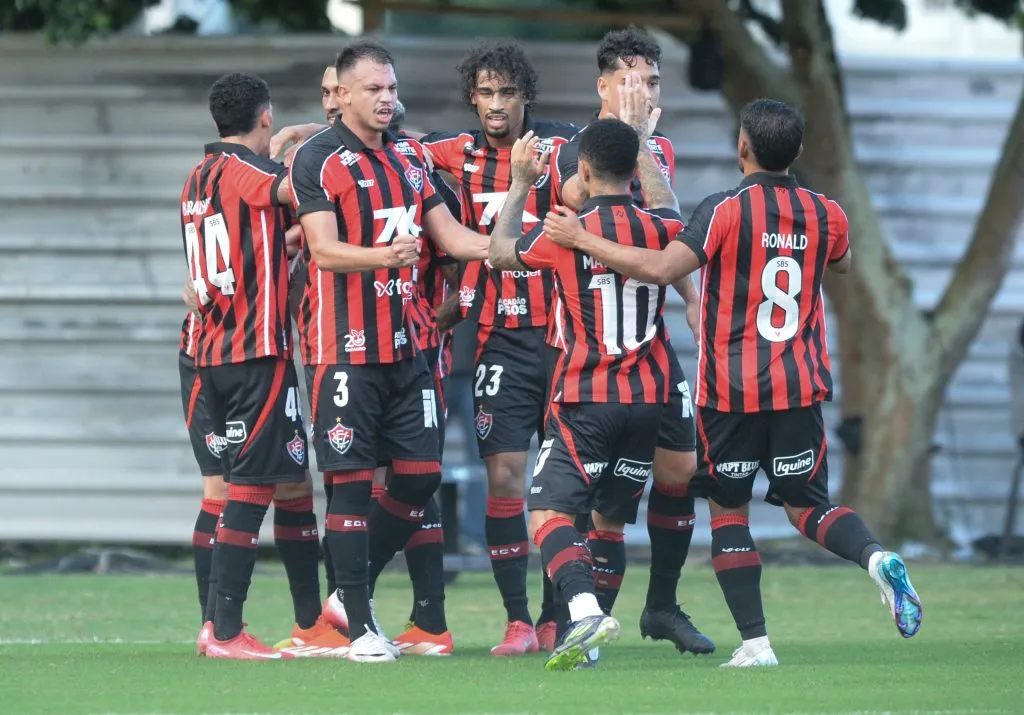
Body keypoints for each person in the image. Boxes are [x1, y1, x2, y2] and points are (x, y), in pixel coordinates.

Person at [544, 98, 924, 667]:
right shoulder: (827, 213)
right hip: (801, 387)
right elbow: (840, 263)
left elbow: (660, 268)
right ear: (796, 151)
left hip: (730, 391)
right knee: (808, 508)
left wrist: (582, 240)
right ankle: (875, 559)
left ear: (741, 146)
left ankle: (756, 643)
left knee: (729, 513)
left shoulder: (723, 210)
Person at [289, 40, 489, 663]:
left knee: (421, 476)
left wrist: (521, 232)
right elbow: (322, 250)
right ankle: (360, 627)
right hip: (344, 348)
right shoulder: (317, 160)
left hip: (410, 344)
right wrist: (384, 256)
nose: (386, 98)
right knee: (348, 487)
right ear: (342, 94)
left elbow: (451, 235)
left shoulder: (408, 155)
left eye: (391, 88)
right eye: (373, 89)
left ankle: (349, 598)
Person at [543, 26, 713, 656]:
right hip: (590, 347)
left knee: (680, 469)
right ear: (604, 86)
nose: (643, 91)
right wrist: (636, 144)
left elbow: (674, 239)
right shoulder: (576, 149)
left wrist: (692, 301)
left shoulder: (659, 147)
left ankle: (661, 605)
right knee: (590, 500)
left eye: (652, 81)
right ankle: (578, 622)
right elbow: (574, 204)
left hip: (648, 340)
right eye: (631, 80)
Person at [487, 118, 682, 670]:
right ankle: (588, 646)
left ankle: (583, 610)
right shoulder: (662, 228)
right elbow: (669, 205)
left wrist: (522, 181)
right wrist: (644, 145)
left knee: (547, 514)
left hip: (586, 397)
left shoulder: (563, 232)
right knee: (610, 522)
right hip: (648, 401)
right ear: (635, 170)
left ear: (586, 171)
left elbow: (500, 253)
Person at [417, 39, 579, 656]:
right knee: (504, 475)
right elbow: (377, 148)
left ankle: (554, 614)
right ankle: (517, 620)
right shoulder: (449, 153)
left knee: (562, 486)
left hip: (564, 340)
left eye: (506, 93)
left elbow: (614, 174)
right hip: (497, 342)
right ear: (471, 97)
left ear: (526, 96)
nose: (495, 105)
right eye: (484, 93)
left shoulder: (559, 152)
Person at [181, 72, 327, 660]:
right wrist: (314, 139)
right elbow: (310, 185)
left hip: (207, 350)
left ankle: (299, 623)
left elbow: (254, 236)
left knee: (279, 482)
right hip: (253, 351)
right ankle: (225, 630)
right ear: (263, 116)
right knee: (253, 485)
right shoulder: (256, 175)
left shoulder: (197, 177)